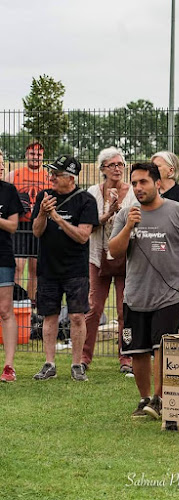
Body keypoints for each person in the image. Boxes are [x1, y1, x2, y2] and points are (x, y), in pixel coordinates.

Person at [108, 163, 179, 419]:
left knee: (161, 346)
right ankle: (144, 399)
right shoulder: (126, 215)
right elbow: (114, 252)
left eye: (144, 182)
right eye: (135, 183)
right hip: (135, 296)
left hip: (169, 296)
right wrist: (129, 227)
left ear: (158, 183)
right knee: (137, 351)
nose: (138, 188)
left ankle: (160, 399)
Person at [31, 156, 99, 381]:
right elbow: (36, 232)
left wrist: (57, 218)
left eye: (56, 174)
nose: (51, 177)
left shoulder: (86, 200)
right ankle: (49, 363)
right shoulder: (44, 197)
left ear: (70, 178)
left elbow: (82, 236)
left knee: (77, 316)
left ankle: (77, 364)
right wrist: (42, 213)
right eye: (51, 173)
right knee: (49, 316)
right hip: (48, 268)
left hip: (76, 270)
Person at [82, 147, 136, 374]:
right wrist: (109, 213)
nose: (117, 169)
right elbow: (88, 225)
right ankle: (83, 357)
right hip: (98, 256)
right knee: (94, 308)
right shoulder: (93, 192)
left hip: (127, 258)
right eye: (112, 165)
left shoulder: (133, 192)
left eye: (121, 164)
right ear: (103, 169)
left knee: (126, 310)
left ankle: (127, 357)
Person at [152, 151, 179, 333]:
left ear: (170, 171)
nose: (152, 169)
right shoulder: (149, 194)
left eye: (157, 166)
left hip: (178, 259)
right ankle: (158, 350)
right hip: (152, 258)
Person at [6, 142, 51, 303]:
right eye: (32, 154)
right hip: (21, 225)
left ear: (43, 156)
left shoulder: (48, 176)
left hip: (39, 224)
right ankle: (17, 300)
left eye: (39, 155)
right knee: (18, 265)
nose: (35, 157)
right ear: (26, 155)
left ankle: (32, 304)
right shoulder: (15, 175)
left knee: (35, 267)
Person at [0, 149, 25, 382]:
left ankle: (8, 366)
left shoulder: (8, 192)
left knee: (6, 311)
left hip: (3, 257)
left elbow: (13, 226)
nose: (0, 168)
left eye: (1, 165)